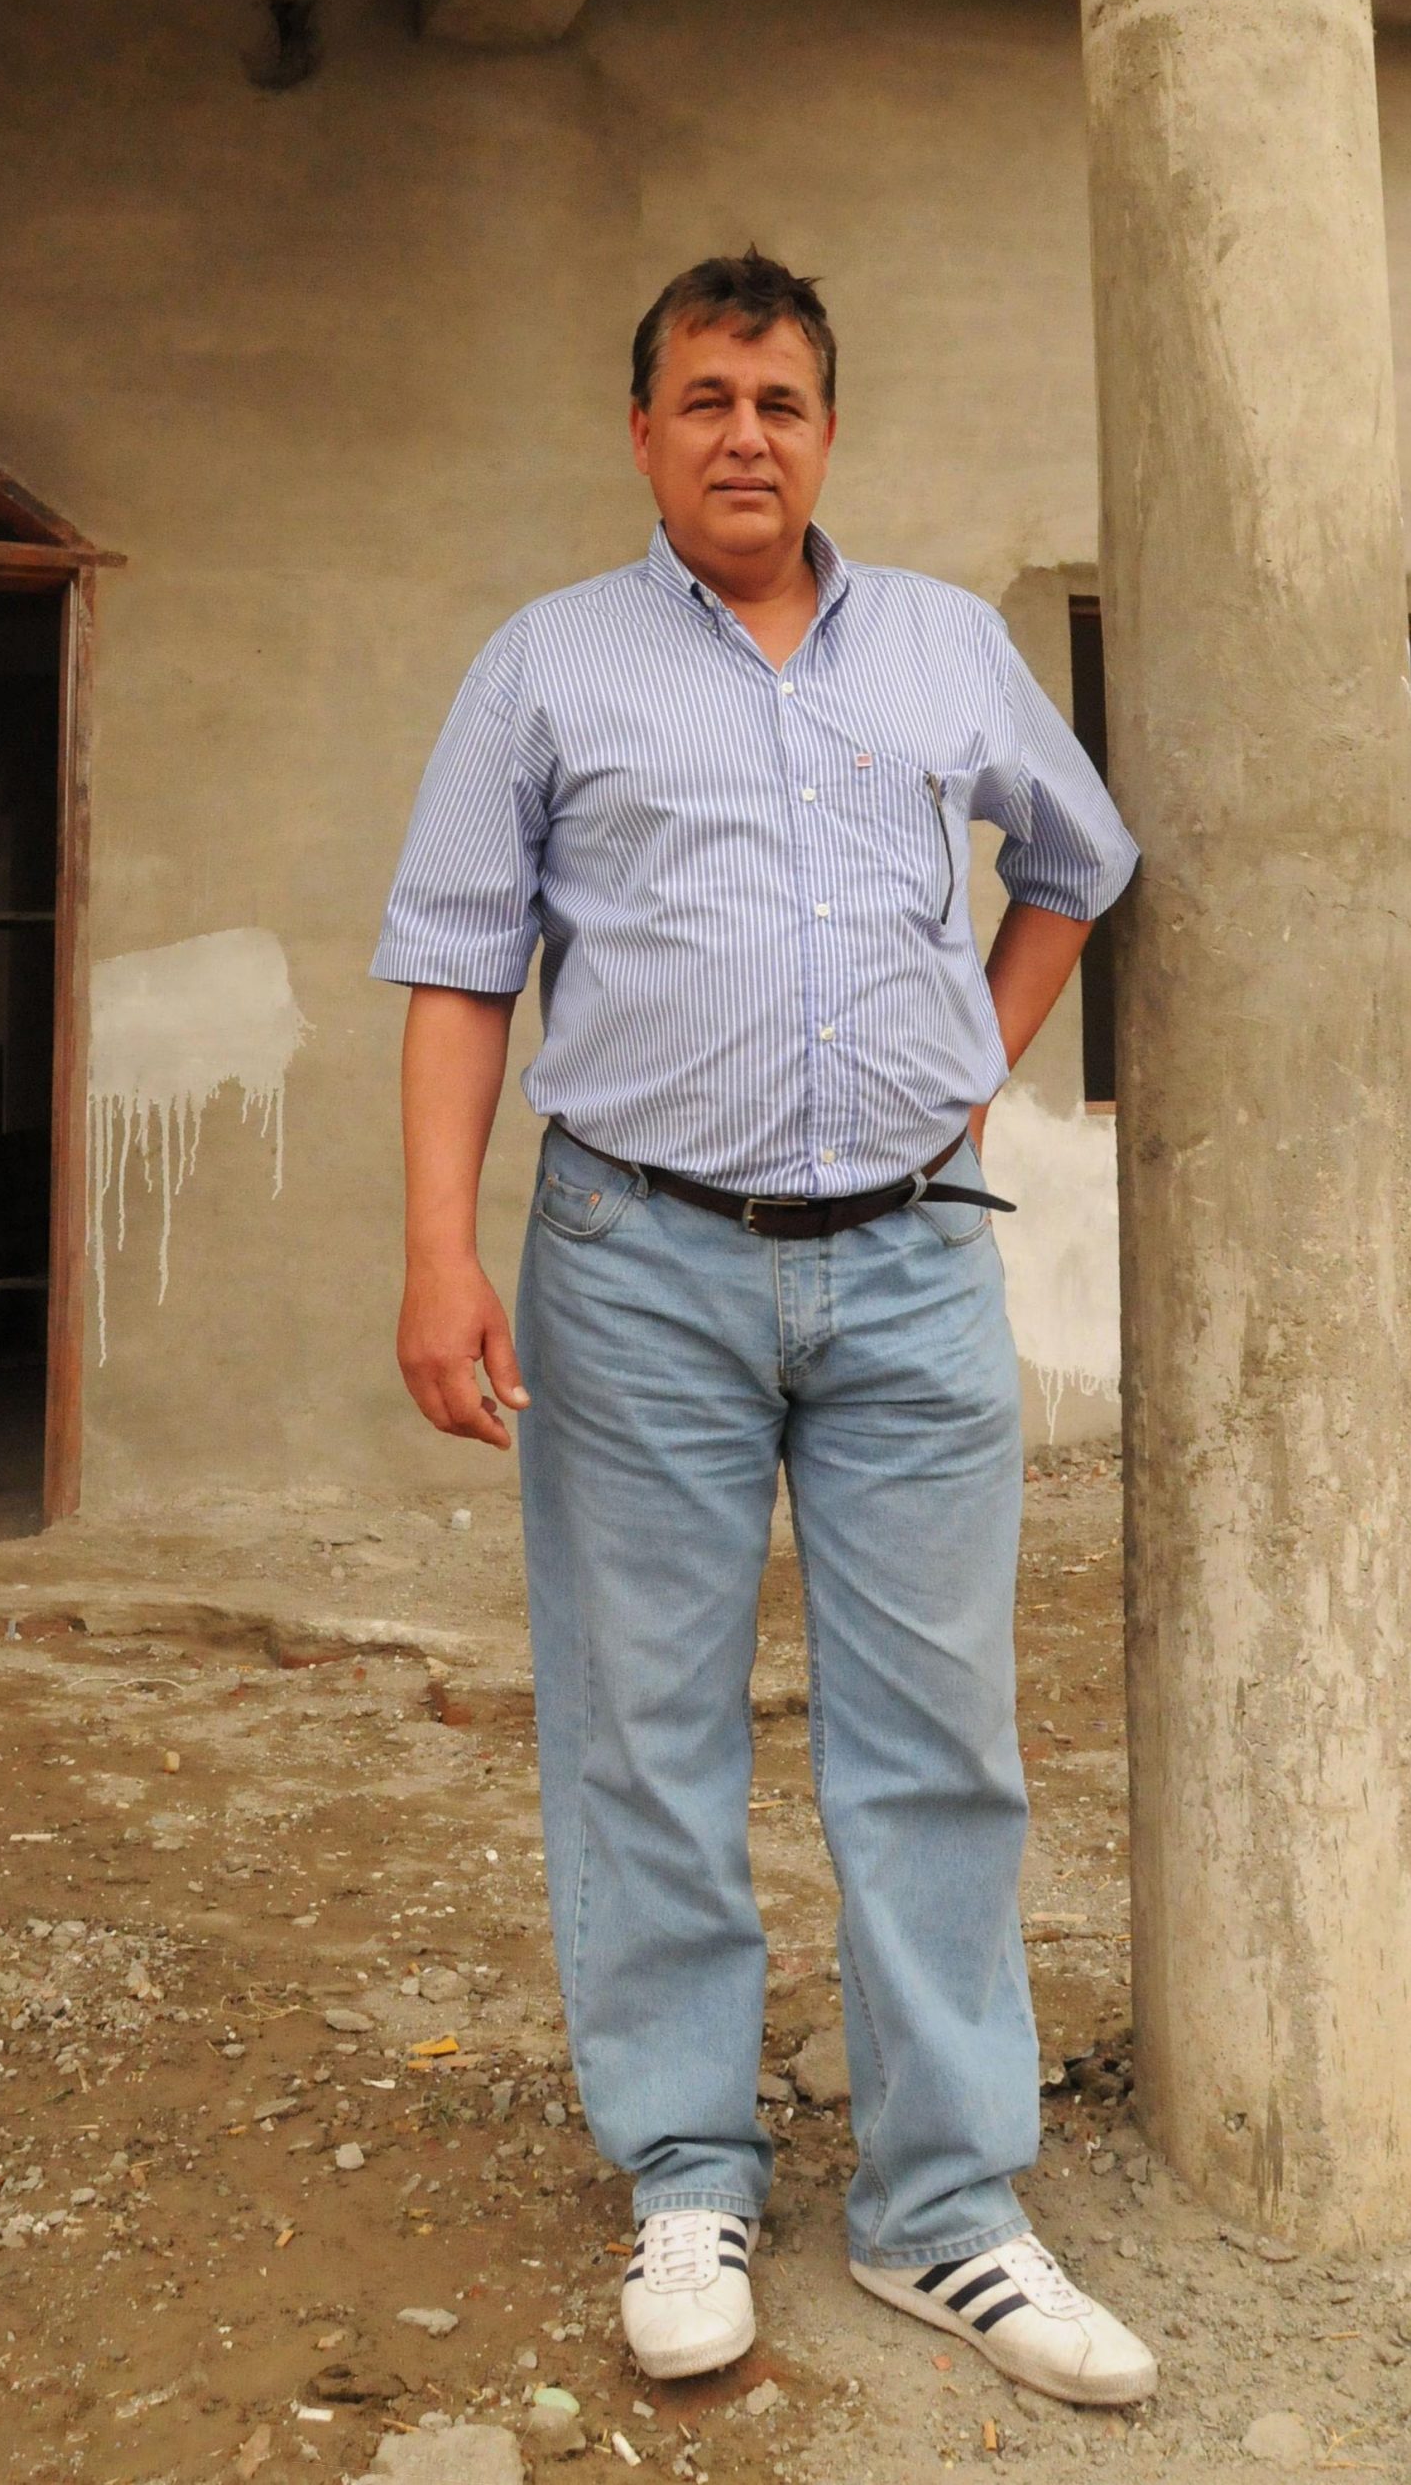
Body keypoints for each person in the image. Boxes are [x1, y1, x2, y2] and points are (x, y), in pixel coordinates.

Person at [372, 250, 1155, 2407]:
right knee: (649, 1730)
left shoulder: (947, 649)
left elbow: (1076, 860)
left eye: (783, 398)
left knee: (939, 1739)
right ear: (642, 432)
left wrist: (967, 1061)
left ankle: (942, 2204)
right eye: (705, 396)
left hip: (912, 1262)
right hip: (637, 1263)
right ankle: (691, 2165)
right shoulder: (549, 667)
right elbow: (455, 960)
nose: (745, 430)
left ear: (829, 430)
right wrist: (443, 1250)